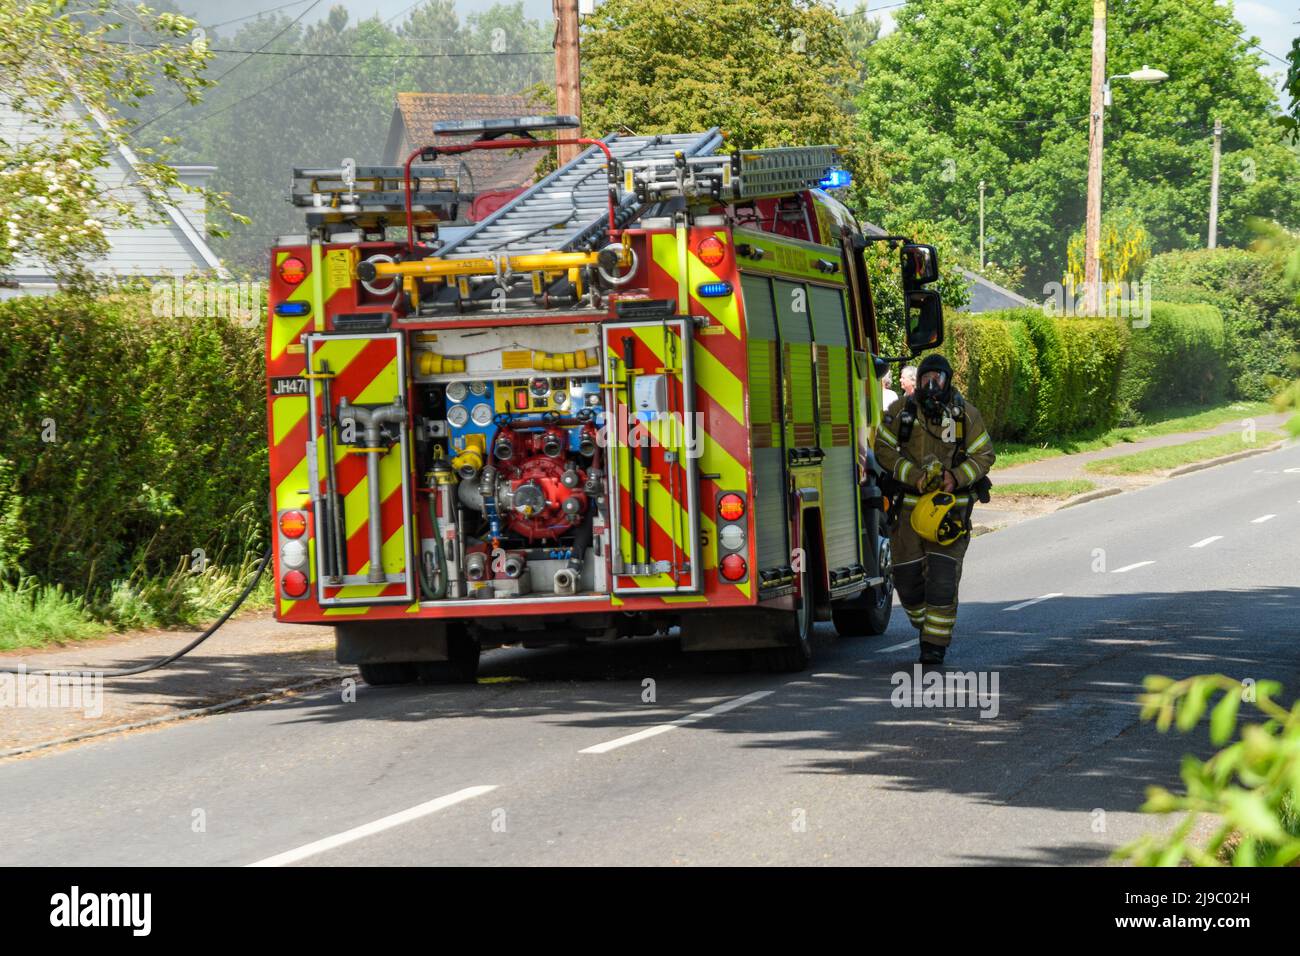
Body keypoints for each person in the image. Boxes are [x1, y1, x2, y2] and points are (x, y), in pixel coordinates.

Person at [873, 354, 995, 665]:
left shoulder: (965, 415)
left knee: (942, 581)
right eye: (926, 378)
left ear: (948, 380)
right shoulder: (900, 412)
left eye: (937, 379)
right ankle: (924, 624)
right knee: (907, 582)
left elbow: (984, 455)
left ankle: (933, 647)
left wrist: (955, 477)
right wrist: (913, 477)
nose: (931, 385)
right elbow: (883, 449)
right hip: (908, 516)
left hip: (950, 516)